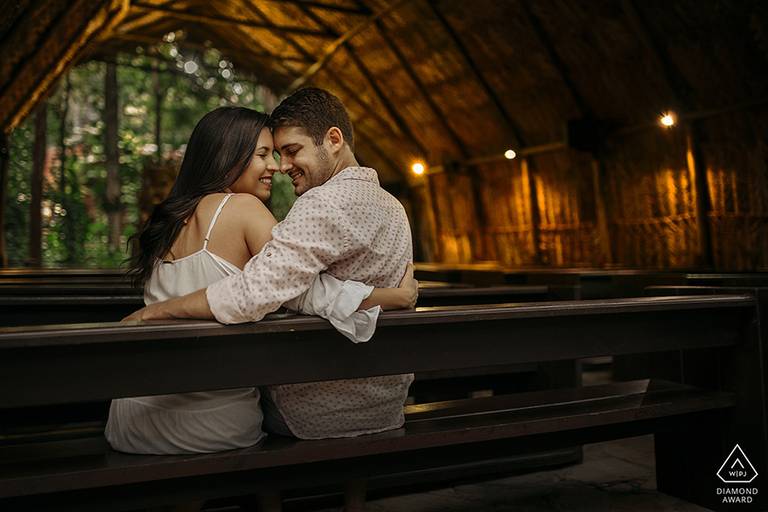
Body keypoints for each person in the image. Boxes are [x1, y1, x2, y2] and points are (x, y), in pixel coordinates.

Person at [108, 106, 416, 454]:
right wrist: (394, 297)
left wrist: (155, 311)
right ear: (228, 156)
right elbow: (302, 293)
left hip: (131, 413)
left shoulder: (168, 218)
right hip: (210, 419)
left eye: (281, 153)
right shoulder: (243, 209)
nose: (276, 166)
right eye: (263, 155)